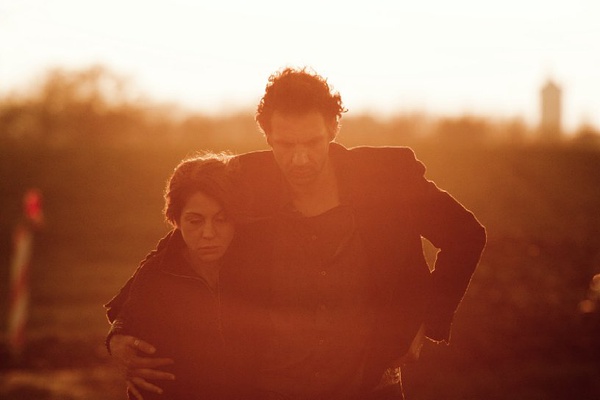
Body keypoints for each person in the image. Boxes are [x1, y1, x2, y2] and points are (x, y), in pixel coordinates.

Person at [106, 66, 487, 400]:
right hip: (268, 387)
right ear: (267, 135)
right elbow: (177, 246)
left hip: (370, 386)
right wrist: (122, 332)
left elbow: (466, 234)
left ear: (333, 129)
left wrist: (427, 319)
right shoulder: (246, 180)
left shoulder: (386, 178)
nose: (299, 158)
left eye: (312, 142)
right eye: (285, 145)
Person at [106, 152, 253, 400]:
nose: (208, 233)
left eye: (221, 219)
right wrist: (116, 338)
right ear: (176, 220)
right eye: (195, 221)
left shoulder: (256, 264)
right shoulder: (156, 277)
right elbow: (126, 322)